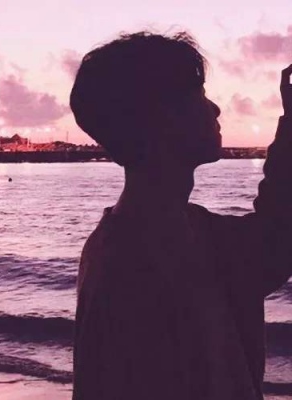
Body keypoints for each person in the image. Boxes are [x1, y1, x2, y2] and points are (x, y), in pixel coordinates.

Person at [69, 31, 292, 400]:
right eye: (199, 95)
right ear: (160, 117)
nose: (215, 109)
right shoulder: (130, 262)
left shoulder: (183, 230)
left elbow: (273, 242)